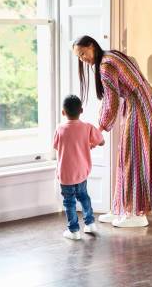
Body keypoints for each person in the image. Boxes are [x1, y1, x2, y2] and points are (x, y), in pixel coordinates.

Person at [72, 36, 152, 228]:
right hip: (146, 107)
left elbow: (111, 102)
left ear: (91, 46)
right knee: (129, 157)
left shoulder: (106, 66)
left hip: (140, 109)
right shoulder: (111, 55)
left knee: (133, 159)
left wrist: (99, 129)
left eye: (83, 53)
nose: (82, 59)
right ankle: (122, 207)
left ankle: (137, 213)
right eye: (79, 56)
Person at [53, 94, 105, 240]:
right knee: (83, 196)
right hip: (81, 171)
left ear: (63, 112)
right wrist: (90, 144)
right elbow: (101, 141)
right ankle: (90, 223)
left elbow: (57, 146)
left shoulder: (60, 129)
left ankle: (74, 230)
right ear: (81, 110)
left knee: (69, 201)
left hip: (66, 174)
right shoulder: (87, 127)